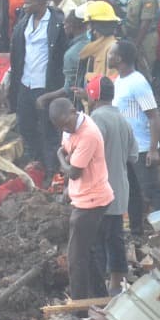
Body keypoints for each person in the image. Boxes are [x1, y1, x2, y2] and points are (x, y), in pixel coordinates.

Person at [50, 96, 113, 304]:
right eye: (61, 128)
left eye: (66, 125)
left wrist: (60, 157)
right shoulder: (69, 128)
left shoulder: (88, 134)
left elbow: (73, 171)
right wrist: (65, 161)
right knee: (88, 252)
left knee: (76, 259)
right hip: (83, 198)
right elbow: (69, 159)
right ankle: (101, 300)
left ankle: (79, 312)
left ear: (73, 111)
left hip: (92, 201)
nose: (65, 130)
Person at [108, 40, 160, 236]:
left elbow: (154, 116)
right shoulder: (119, 81)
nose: (108, 56)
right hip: (126, 149)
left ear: (119, 58)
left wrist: (153, 149)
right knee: (131, 193)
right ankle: (136, 231)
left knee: (151, 191)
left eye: (110, 54)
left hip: (142, 149)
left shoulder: (138, 82)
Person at [86, 75, 135, 295]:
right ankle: (116, 285)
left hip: (98, 189)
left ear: (94, 95)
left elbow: (88, 154)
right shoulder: (123, 119)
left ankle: (99, 291)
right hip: (120, 188)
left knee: (96, 241)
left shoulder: (95, 119)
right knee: (115, 237)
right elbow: (133, 155)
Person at [10, 0, 65, 179]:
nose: (24, 5)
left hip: (45, 84)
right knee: (26, 125)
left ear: (41, 3)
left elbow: (61, 54)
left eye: (28, 2)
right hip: (26, 82)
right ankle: (36, 162)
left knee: (48, 128)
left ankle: (51, 169)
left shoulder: (57, 23)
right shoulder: (24, 20)